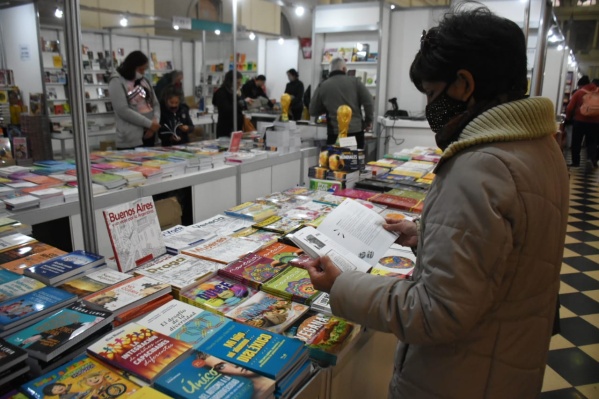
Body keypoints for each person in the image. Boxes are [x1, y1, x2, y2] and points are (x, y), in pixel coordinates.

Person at [299, 7, 569, 399]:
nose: (430, 107)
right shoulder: (540, 146)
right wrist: (426, 234)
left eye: (431, 93)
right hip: (505, 361)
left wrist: (342, 286)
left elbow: (435, 311)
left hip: (458, 377)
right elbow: (507, 254)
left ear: (464, 84)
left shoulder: (480, 166)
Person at [309, 58, 373, 149]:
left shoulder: (323, 85)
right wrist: (367, 121)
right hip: (355, 132)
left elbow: (312, 110)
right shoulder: (356, 82)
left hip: (334, 133)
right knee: (354, 161)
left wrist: (326, 107)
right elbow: (369, 102)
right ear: (343, 69)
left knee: (335, 161)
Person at [109, 51, 160, 149]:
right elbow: (122, 110)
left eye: (144, 69)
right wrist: (149, 124)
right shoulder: (116, 81)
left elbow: (155, 104)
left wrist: (155, 123)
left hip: (150, 134)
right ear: (132, 66)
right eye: (141, 69)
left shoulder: (144, 81)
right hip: (131, 138)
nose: (143, 72)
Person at [566, 77, 599, 170]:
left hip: (580, 121)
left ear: (581, 85)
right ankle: (590, 159)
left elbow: (569, 107)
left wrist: (568, 118)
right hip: (595, 122)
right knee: (592, 142)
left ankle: (576, 162)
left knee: (576, 142)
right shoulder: (597, 92)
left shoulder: (579, 93)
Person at [212, 70, 248, 138]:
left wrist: (244, 101)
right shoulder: (221, 92)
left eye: (240, 83)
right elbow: (226, 109)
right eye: (237, 83)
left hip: (237, 128)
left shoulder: (237, 92)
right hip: (226, 129)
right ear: (230, 82)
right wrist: (239, 102)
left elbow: (243, 107)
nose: (239, 85)